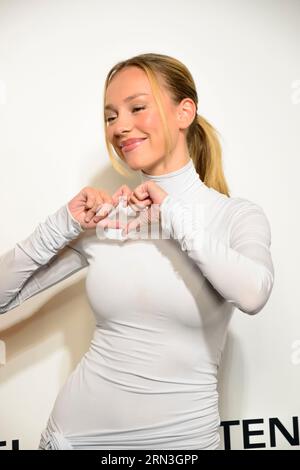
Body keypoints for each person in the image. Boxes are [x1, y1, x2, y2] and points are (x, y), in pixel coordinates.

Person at [0, 53, 275, 450]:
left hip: (183, 445)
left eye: (137, 108)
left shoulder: (234, 216)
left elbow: (253, 293)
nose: (120, 126)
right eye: (111, 116)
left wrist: (170, 211)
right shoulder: (111, 218)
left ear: (184, 112)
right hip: (75, 439)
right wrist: (61, 224)